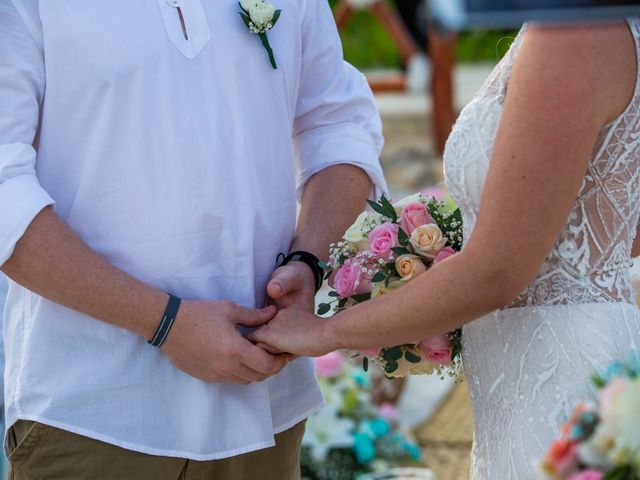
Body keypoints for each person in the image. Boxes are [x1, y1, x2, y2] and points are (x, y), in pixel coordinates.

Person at [0, 0, 386, 478]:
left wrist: (308, 260)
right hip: (94, 413)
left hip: (264, 406)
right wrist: (165, 322)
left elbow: (338, 123)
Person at [252, 19, 640, 478]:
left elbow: (497, 271)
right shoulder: (610, 30)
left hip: (556, 381)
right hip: (573, 358)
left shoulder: (573, 36)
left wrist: (324, 332)